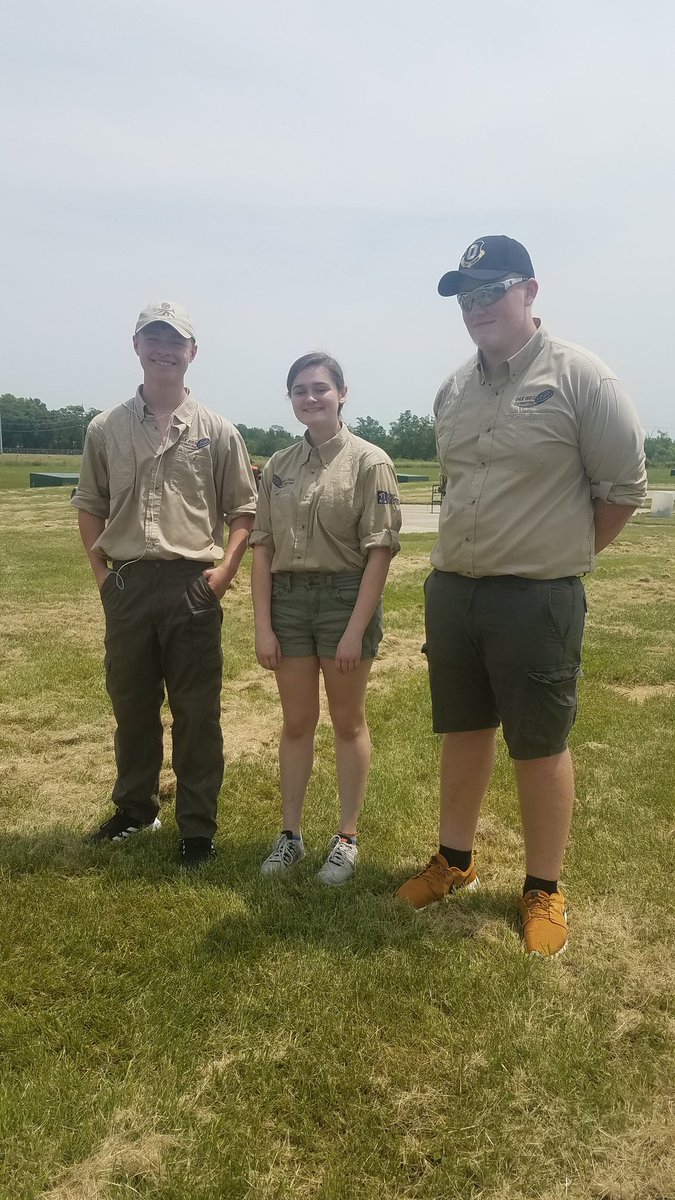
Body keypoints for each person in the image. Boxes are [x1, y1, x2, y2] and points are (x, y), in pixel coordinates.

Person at [395, 236, 647, 954]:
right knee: (463, 730)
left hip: (537, 597)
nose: (475, 307)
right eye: (464, 296)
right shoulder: (453, 390)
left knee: (538, 744)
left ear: (529, 291)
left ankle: (542, 887)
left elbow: (622, 491)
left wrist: (558, 557)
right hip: (454, 592)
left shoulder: (580, 377)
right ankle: (454, 861)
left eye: (490, 291)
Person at [72, 301, 257, 867]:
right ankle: (135, 810)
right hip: (127, 585)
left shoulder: (217, 431)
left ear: (192, 352)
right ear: (136, 347)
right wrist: (103, 577)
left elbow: (243, 510)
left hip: (191, 585)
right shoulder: (105, 428)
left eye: (175, 341)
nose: (164, 350)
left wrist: (222, 575)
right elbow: (89, 504)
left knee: (197, 713)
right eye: (153, 339)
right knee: (132, 705)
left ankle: (197, 830)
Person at [250, 352, 401, 884]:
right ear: (290, 399)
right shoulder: (278, 466)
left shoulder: (369, 462)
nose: (310, 398)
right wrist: (263, 624)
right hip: (289, 602)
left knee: (347, 720)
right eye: (299, 390)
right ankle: (289, 836)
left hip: (344, 599)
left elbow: (379, 551)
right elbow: (262, 546)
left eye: (320, 388)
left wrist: (355, 630)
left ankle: (346, 838)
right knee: (296, 723)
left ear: (342, 393)